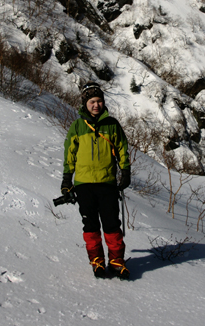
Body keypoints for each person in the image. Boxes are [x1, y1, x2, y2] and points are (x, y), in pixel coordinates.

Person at [61, 82, 131, 279]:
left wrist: (125, 172)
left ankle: (117, 261)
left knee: (111, 225)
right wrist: (67, 180)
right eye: (92, 101)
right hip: (83, 185)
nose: (96, 105)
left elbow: (122, 149)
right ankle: (97, 261)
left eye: (99, 101)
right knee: (90, 225)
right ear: (85, 103)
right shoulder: (77, 126)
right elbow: (70, 154)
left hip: (106, 182)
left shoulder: (112, 125)